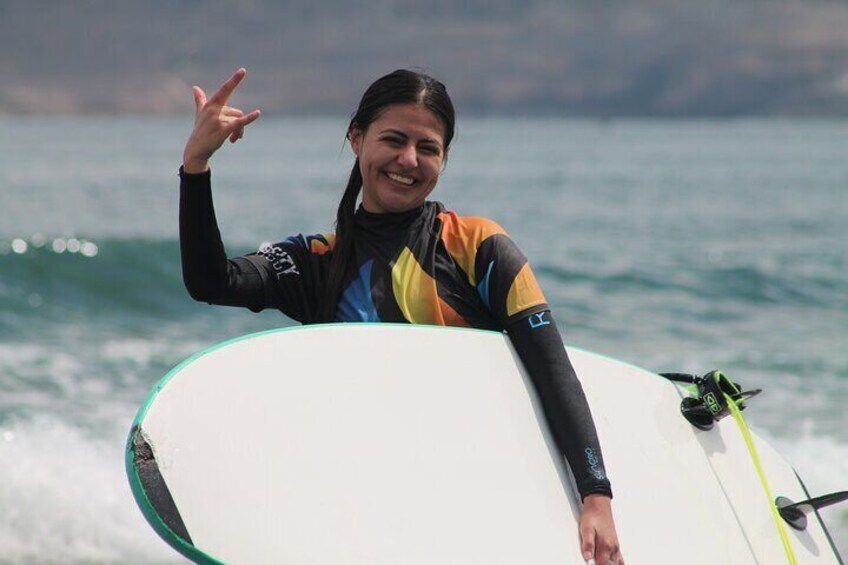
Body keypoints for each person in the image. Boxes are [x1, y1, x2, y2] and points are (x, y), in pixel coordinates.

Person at [179, 67, 624, 565]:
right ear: (356, 138)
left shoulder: (478, 249)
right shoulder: (316, 261)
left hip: (475, 495)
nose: (408, 160)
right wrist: (196, 165)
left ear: (445, 158)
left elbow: (551, 370)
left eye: (428, 147)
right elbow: (210, 282)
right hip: (366, 506)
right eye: (393, 139)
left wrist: (595, 496)